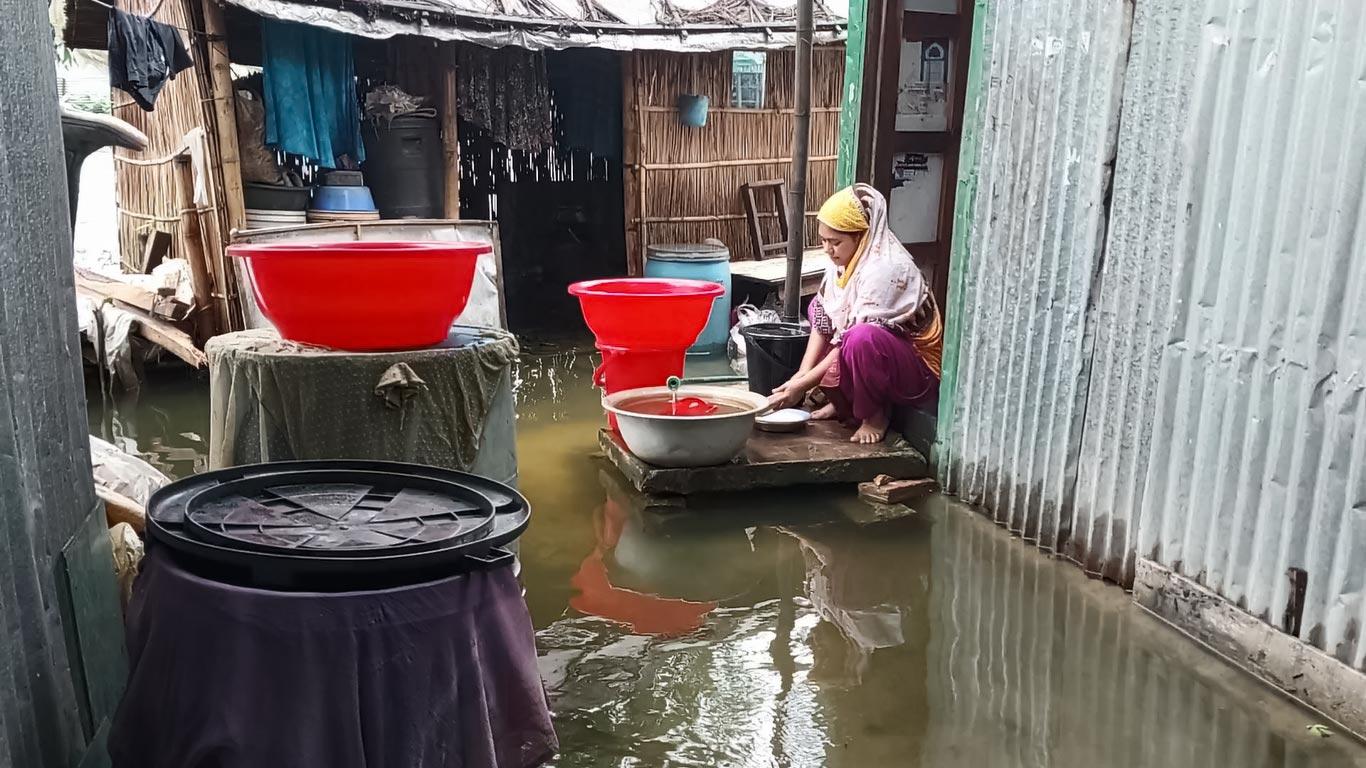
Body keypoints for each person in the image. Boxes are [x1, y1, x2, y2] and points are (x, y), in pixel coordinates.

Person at [767, 184, 943, 443]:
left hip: (916, 368)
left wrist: (800, 387)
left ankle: (874, 416)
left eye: (836, 242)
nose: (828, 249)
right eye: (824, 240)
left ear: (861, 237)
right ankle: (845, 406)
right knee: (818, 308)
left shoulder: (886, 269)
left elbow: (847, 340)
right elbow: (824, 320)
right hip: (882, 353)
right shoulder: (842, 265)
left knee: (861, 339)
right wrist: (800, 375)